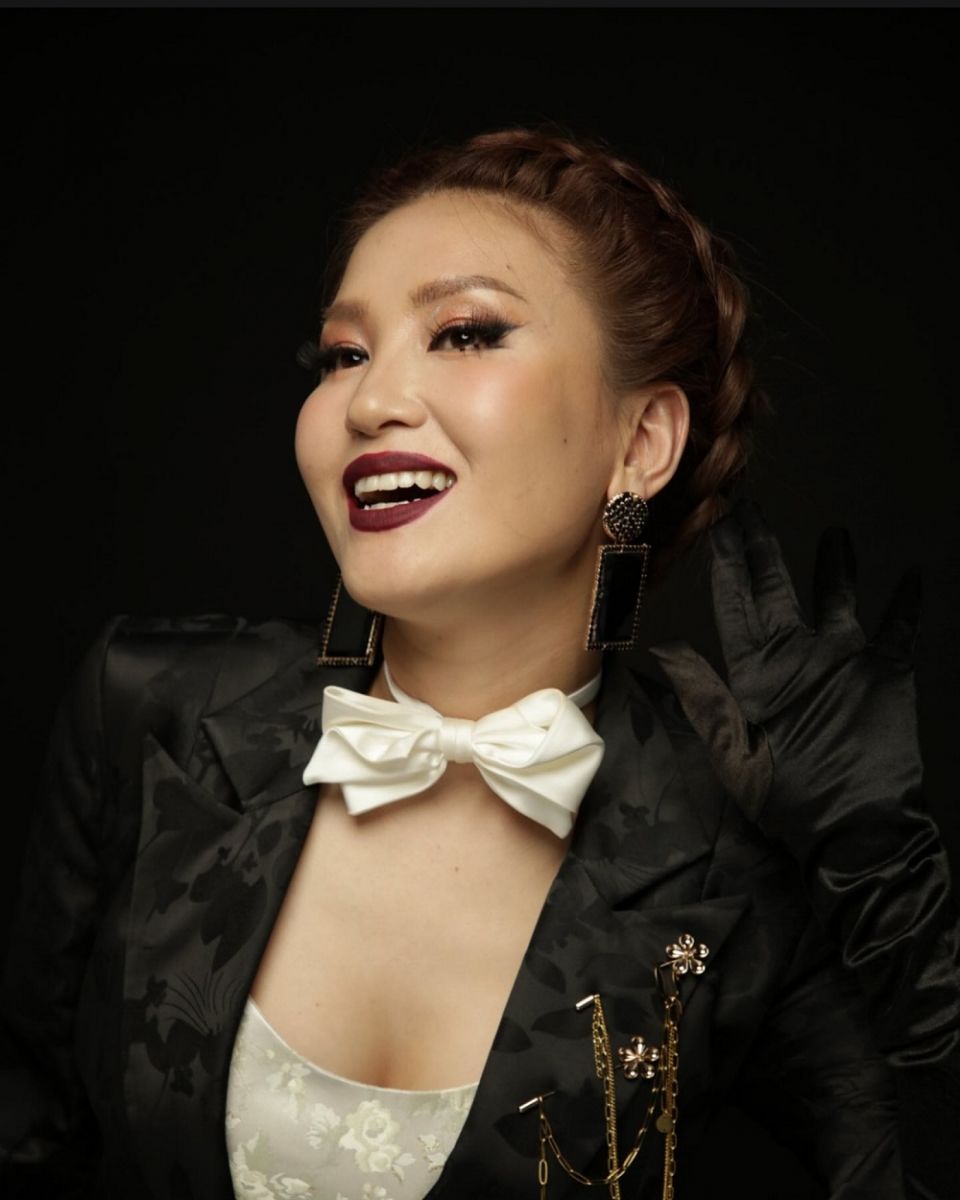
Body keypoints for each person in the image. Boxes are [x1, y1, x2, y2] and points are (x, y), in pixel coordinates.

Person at [1, 128, 957, 1200]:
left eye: (463, 334)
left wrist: (882, 863)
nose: (370, 401)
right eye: (344, 354)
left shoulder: (734, 861)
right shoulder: (148, 711)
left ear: (642, 440)